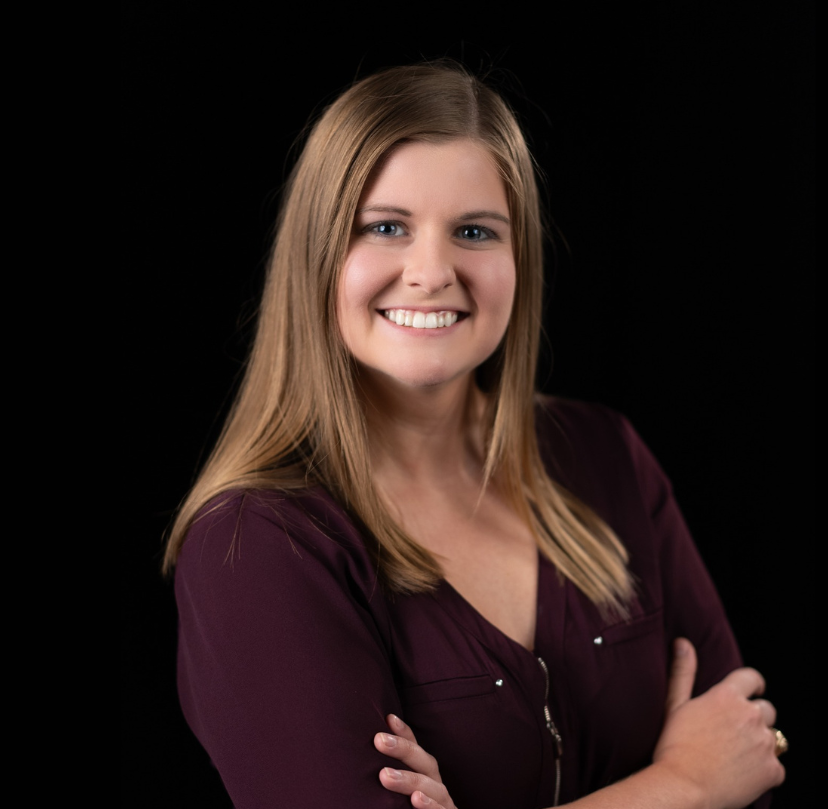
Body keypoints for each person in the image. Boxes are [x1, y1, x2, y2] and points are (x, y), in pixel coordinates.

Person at [165, 62, 786, 808]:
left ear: (517, 258)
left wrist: (722, 774)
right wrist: (684, 784)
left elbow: (746, 748)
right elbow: (717, 773)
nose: (432, 271)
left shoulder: (602, 454)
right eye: (385, 227)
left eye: (474, 231)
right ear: (317, 255)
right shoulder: (257, 543)